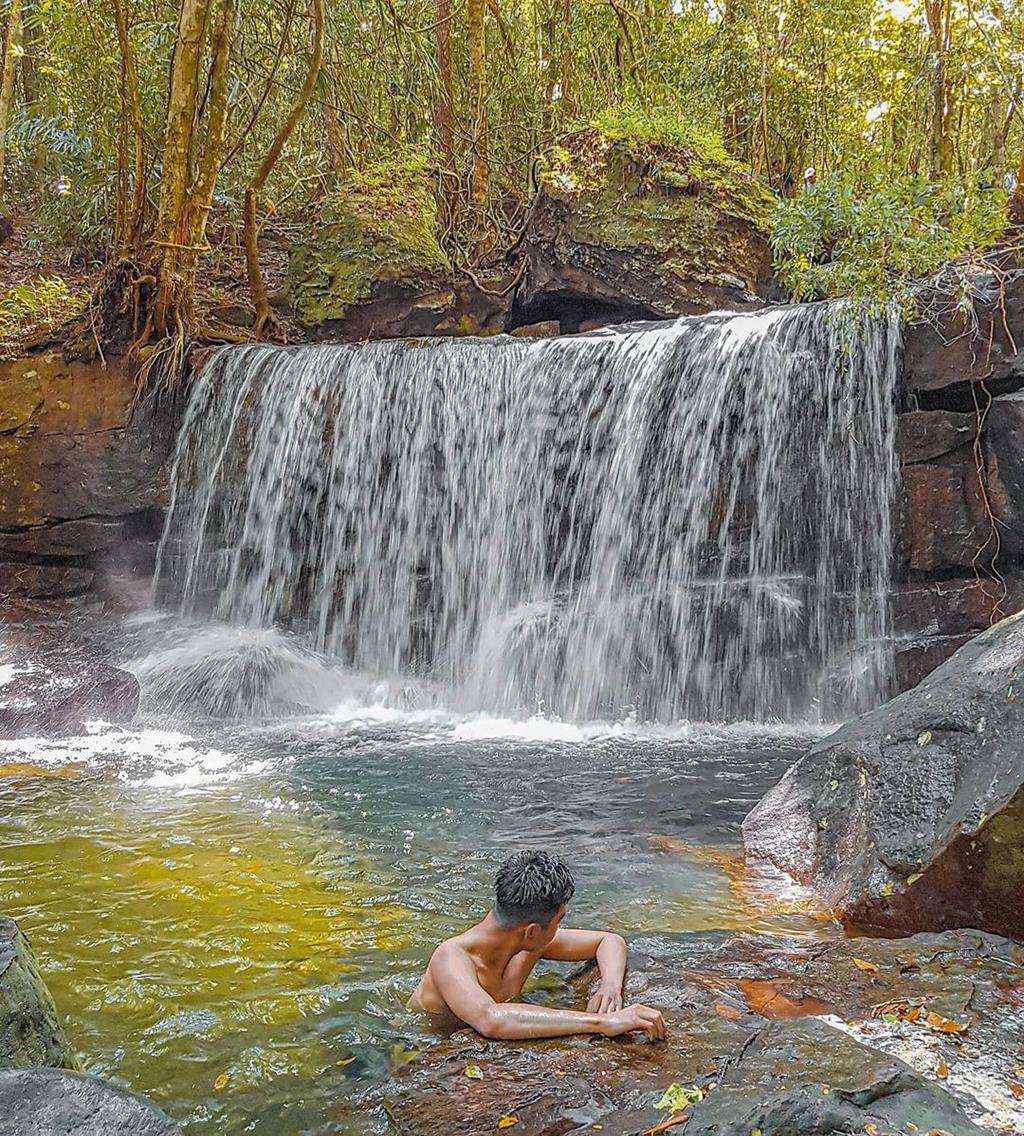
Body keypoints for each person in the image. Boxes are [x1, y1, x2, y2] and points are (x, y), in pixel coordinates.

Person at [410, 850, 667, 1041]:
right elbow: (490, 1019)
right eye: (559, 920)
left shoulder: (526, 945)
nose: (560, 928)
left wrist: (609, 987)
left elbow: (608, 941)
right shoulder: (451, 958)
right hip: (416, 1044)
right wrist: (603, 1021)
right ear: (532, 931)